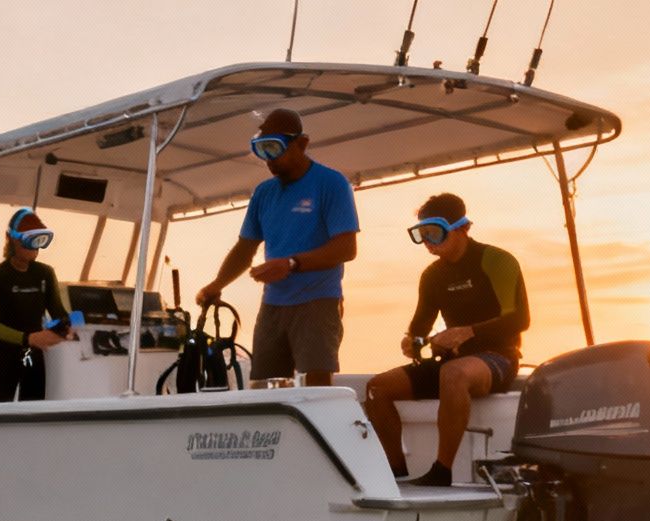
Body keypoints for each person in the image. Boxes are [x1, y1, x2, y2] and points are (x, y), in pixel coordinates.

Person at [363, 194, 531, 487]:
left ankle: (442, 470)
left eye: (434, 232)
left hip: (498, 356)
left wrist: (469, 331)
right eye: (421, 234)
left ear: (461, 228)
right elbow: (418, 327)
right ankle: (395, 471)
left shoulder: (497, 260)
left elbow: (519, 320)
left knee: (452, 374)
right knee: (378, 388)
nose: (428, 240)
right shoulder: (432, 276)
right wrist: (413, 342)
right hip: (453, 361)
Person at [196, 109, 359, 390]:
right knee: (262, 385)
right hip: (273, 304)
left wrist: (291, 264)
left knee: (315, 385)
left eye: (275, 148)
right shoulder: (263, 193)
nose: (269, 159)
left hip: (318, 301)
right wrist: (216, 284)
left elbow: (346, 248)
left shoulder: (331, 184)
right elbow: (245, 248)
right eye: (262, 150)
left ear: (302, 143)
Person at [0, 209, 74, 403]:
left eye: (40, 240)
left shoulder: (45, 273)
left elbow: (58, 312)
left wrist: (68, 325)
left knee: (33, 413)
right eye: (30, 240)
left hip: (33, 356)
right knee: (2, 415)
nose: (35, 248)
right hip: (3, 358)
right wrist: (30, 338)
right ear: (12, 239)